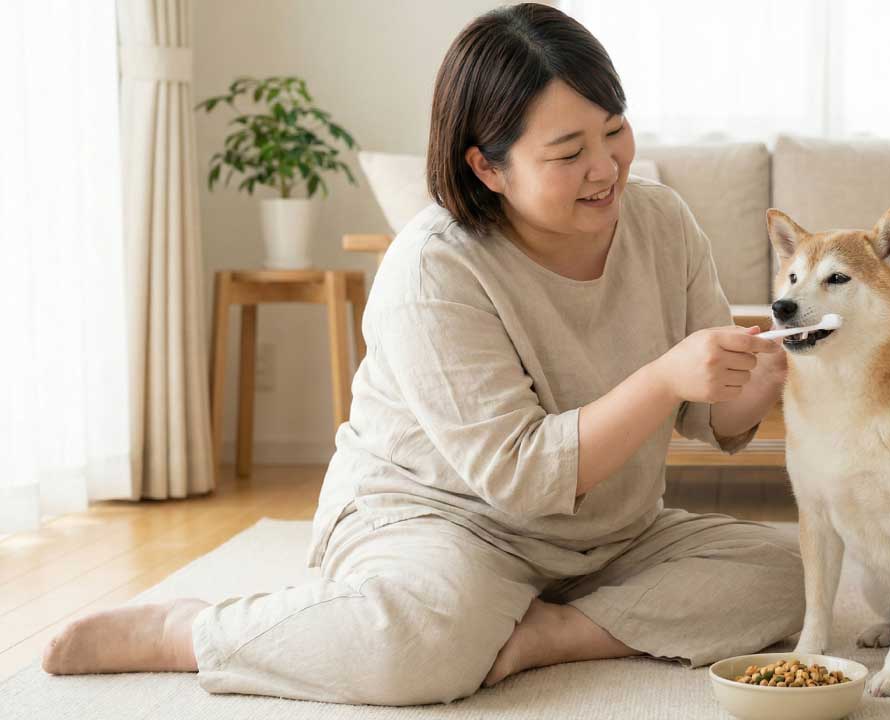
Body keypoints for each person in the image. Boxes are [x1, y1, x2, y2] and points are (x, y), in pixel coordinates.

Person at [40, 3, 804, 706]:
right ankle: (190, 630)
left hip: (607, 537)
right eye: (568, 151)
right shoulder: (435, 266)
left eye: (615, 130)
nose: (606, 166)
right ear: (487, 167)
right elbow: (519, 474)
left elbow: (711, 418)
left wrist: (756, 383)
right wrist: (664, 375)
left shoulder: (662, 221)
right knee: (421, 648)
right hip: (440, 522)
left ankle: (550, 634)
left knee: (794, 576)